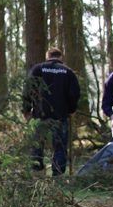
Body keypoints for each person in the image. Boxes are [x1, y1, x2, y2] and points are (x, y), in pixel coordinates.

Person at [22, 46, 80, 176]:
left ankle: (37, 172)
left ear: (48, 57)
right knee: (60, 145)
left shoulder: (37, 69)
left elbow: (27, 89)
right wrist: (71, 110)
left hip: (39, 114)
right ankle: (58, 174)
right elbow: (74, 94)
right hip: (60, 115)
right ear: (60, 57)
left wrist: (26, 110)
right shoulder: (68, 72)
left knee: (37, 144)